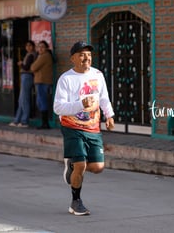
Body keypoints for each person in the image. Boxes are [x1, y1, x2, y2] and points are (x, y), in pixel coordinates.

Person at [53, 41, 115, 216]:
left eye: (88, 54)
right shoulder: (66, 79)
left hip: (93, 126)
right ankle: (76, 202)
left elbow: (104, 97)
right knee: (81, 164)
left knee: (97, 167)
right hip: (71, 126)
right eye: (81, 54)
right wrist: (81, 104)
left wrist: (109, 115)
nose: (86, 57)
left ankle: (72, 165)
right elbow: (58, 107)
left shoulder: (97, 74)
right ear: (73, 58)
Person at [9, 40, 37, 128]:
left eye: (30, 45)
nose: (28, 47)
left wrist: (21, 64)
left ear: (33, 46)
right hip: (25, 77)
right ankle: (17, 120)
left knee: (25, 99)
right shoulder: (29, 54)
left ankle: (24, 121)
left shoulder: (32, 55)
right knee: (21, 100)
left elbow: (27, 67)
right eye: (27, 46)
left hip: (27, 76)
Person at [31, 40, 54, 129]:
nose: (40, 49)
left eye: (42, 47)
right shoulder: (43, 56)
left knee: (42, 101)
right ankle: (44, 123)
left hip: (42, 81)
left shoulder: (44, 56)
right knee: (41, 101)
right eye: (39, 47)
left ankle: (45, 123)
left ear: (46, 48)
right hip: (41, 81)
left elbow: (33, 67)